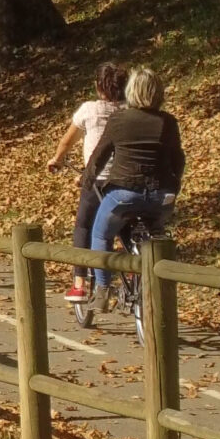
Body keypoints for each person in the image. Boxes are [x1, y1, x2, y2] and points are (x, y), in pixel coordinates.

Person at [83, 66, 185, 309]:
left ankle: (103, 288)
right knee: (156, 234)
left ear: (132, 91)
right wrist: (174, 185)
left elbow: (100, 156)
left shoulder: (119, 119)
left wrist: (88, 180)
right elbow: (178, 159)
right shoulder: (168, 122)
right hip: (162, 196)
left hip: (124, 194)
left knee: (101, 234)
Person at [51, 64, 129, 304]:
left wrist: (57, 159)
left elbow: (67, 141)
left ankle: (80, 283)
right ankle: (134, 268)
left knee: (83, 226)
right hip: (125, 178)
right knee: (125, 225)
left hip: (96, 179)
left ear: (98, 87)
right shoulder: (130, 110)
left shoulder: (89, 110)